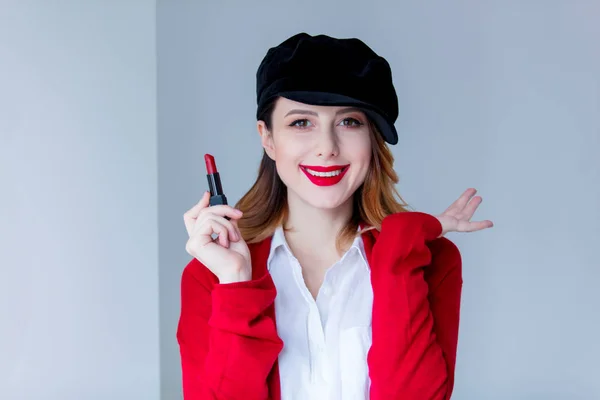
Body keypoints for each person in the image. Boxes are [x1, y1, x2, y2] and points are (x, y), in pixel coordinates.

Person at [177, 32, 493, 400]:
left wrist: (401, 246)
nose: (327, 147)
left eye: (349, 122)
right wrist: (236, 282)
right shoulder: (212, 277)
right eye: (301, 122)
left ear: (372, 138)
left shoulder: (428, 261)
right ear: (268, 138)